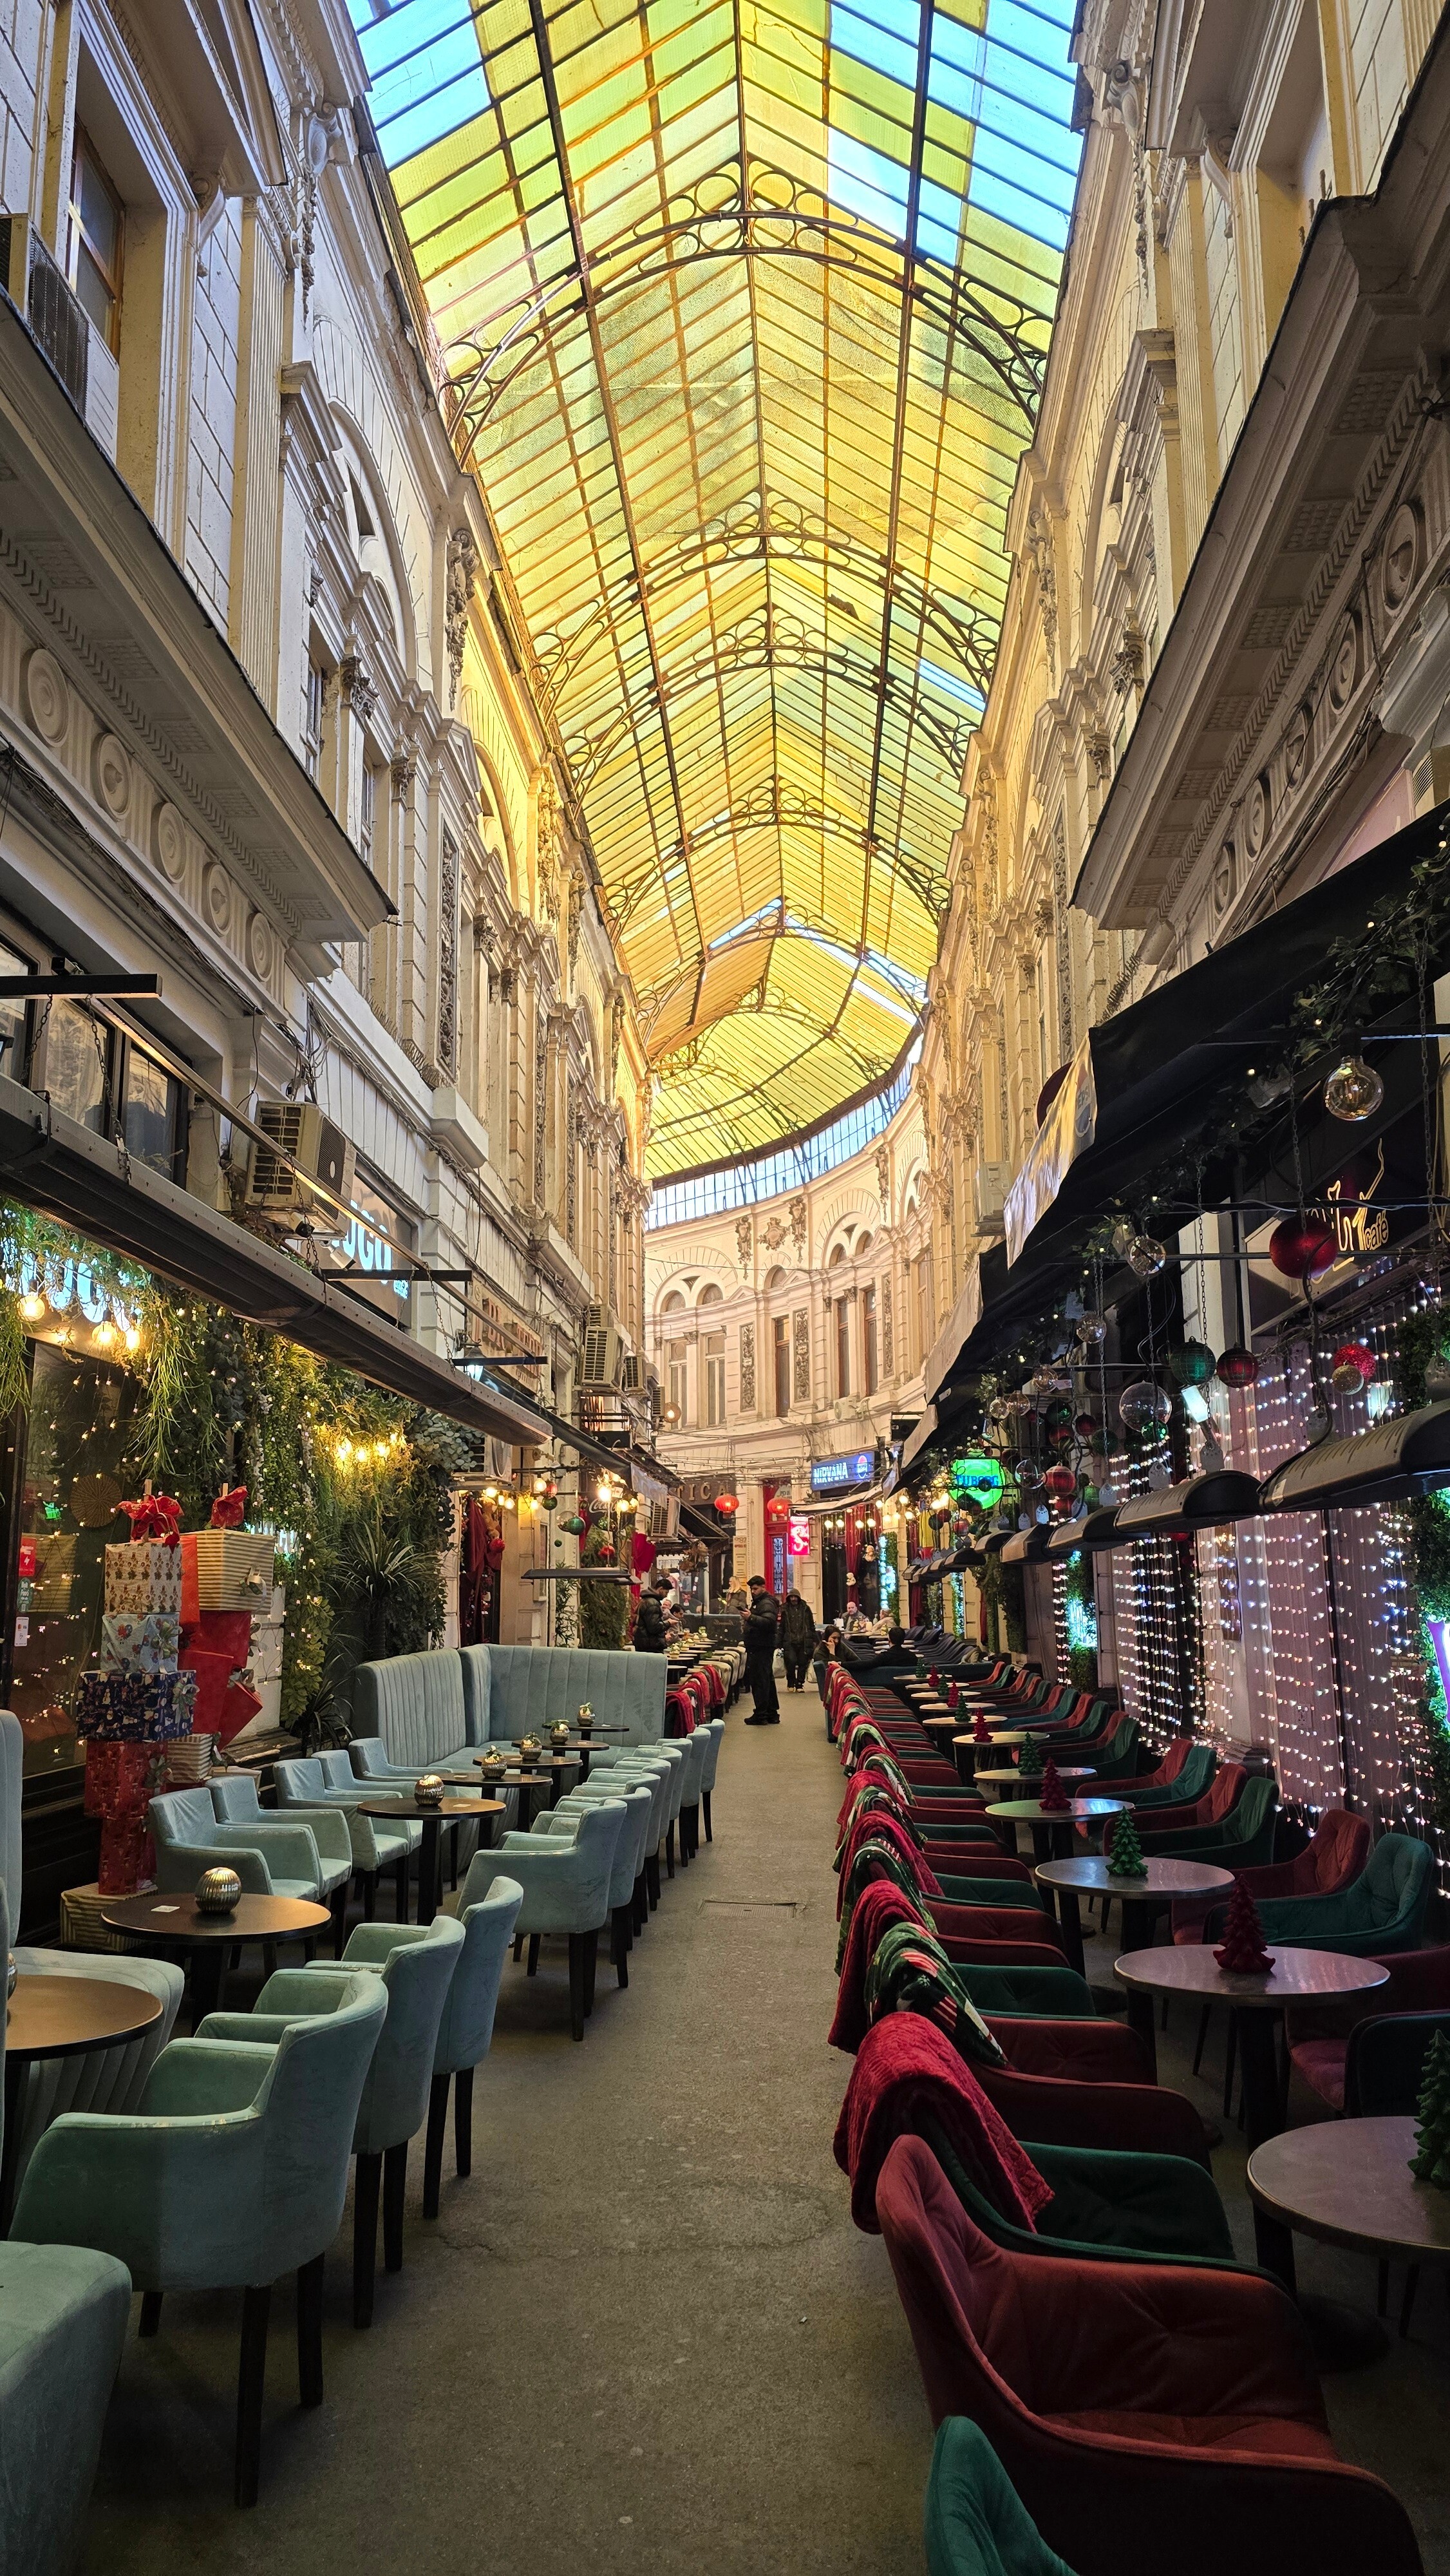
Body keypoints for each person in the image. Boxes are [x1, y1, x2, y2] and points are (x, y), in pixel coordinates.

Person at [743, 1574, 781, 1724]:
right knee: (766, 1680)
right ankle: (771, 1713)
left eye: (755, 1589)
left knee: (760, 1681)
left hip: (761, 1646)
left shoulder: (766, 1603)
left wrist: (750, 1618)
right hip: (761, 1646)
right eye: (752, 1589)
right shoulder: (762, 1602)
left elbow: (769, 1623)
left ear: (763, 1587)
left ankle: (761, 1714)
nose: (753, 1591)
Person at [778, 1585, 817, 1692]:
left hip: (804, 1641)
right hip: (790, 1641)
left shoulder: (806, 1609)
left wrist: (814, 1640)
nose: (793, 1599)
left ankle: (800, 1684)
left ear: (799, 1598)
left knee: (802, 1663)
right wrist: (779, 1642)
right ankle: (791, 1682)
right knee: (790, 1662)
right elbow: (782, 1627)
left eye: (795, 1597)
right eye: (792, 1597)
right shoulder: (785, 1610)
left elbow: (811, 1625)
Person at [633, 1578, 670, 1653]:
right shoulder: (653, 1603)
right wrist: (669, 1623)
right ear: (661, 1589)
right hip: (651, 1646)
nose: (666, 1596)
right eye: (666, 1592)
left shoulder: (646, 1600)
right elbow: (654, 1628)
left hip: (644, 1644)